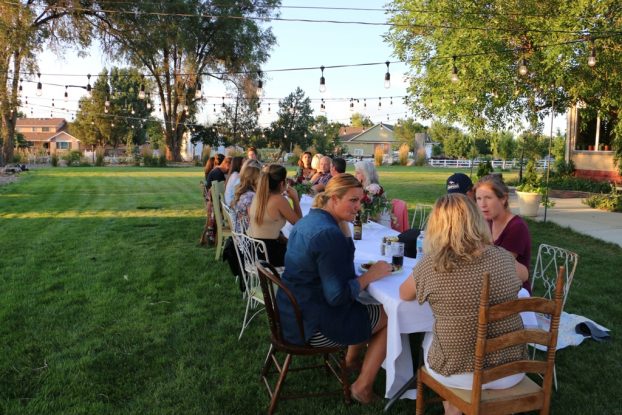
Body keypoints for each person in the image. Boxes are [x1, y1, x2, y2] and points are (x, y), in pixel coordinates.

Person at [399, 194, 526, 415]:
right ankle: (454, 406)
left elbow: (404, 293)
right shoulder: (503, 257)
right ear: (476, 220)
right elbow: (523, 275)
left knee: (430, 337)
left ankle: (453, 406)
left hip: (460, 373)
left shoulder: (432, 264)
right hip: (511, 369)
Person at [278, 174, 393, 404]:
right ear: (333, 199)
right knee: (390, 316)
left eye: (360, 201)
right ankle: (362, 386)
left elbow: (342, 267)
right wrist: (371, 275)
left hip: (292, 315)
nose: (358, 206)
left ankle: (351, 360)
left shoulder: (310, 221)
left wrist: (344, 223)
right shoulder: (329, 234)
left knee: (366, 305)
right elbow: (338, 296)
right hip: (313, 327)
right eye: (353, 201)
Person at [474, 174, 531, 292]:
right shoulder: (488, 222)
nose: (482, 204)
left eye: (488, 198)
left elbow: (501, 266)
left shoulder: (517, 227)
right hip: (491, 286)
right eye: (478, 199)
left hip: (514, 292)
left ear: (503, 199)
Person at [247, 164, 302, 267]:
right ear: (282, 183)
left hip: (252, 252)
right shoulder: (279, 200)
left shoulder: (258, 196)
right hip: (269, 256)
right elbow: (300, 224)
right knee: (306, 255)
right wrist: (295, 199)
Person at [231, 159, 262, 233]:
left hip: (242, 236)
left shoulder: (244, 192)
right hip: (249, 238)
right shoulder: (250, 196)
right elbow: (254, 222)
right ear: (256, 179)